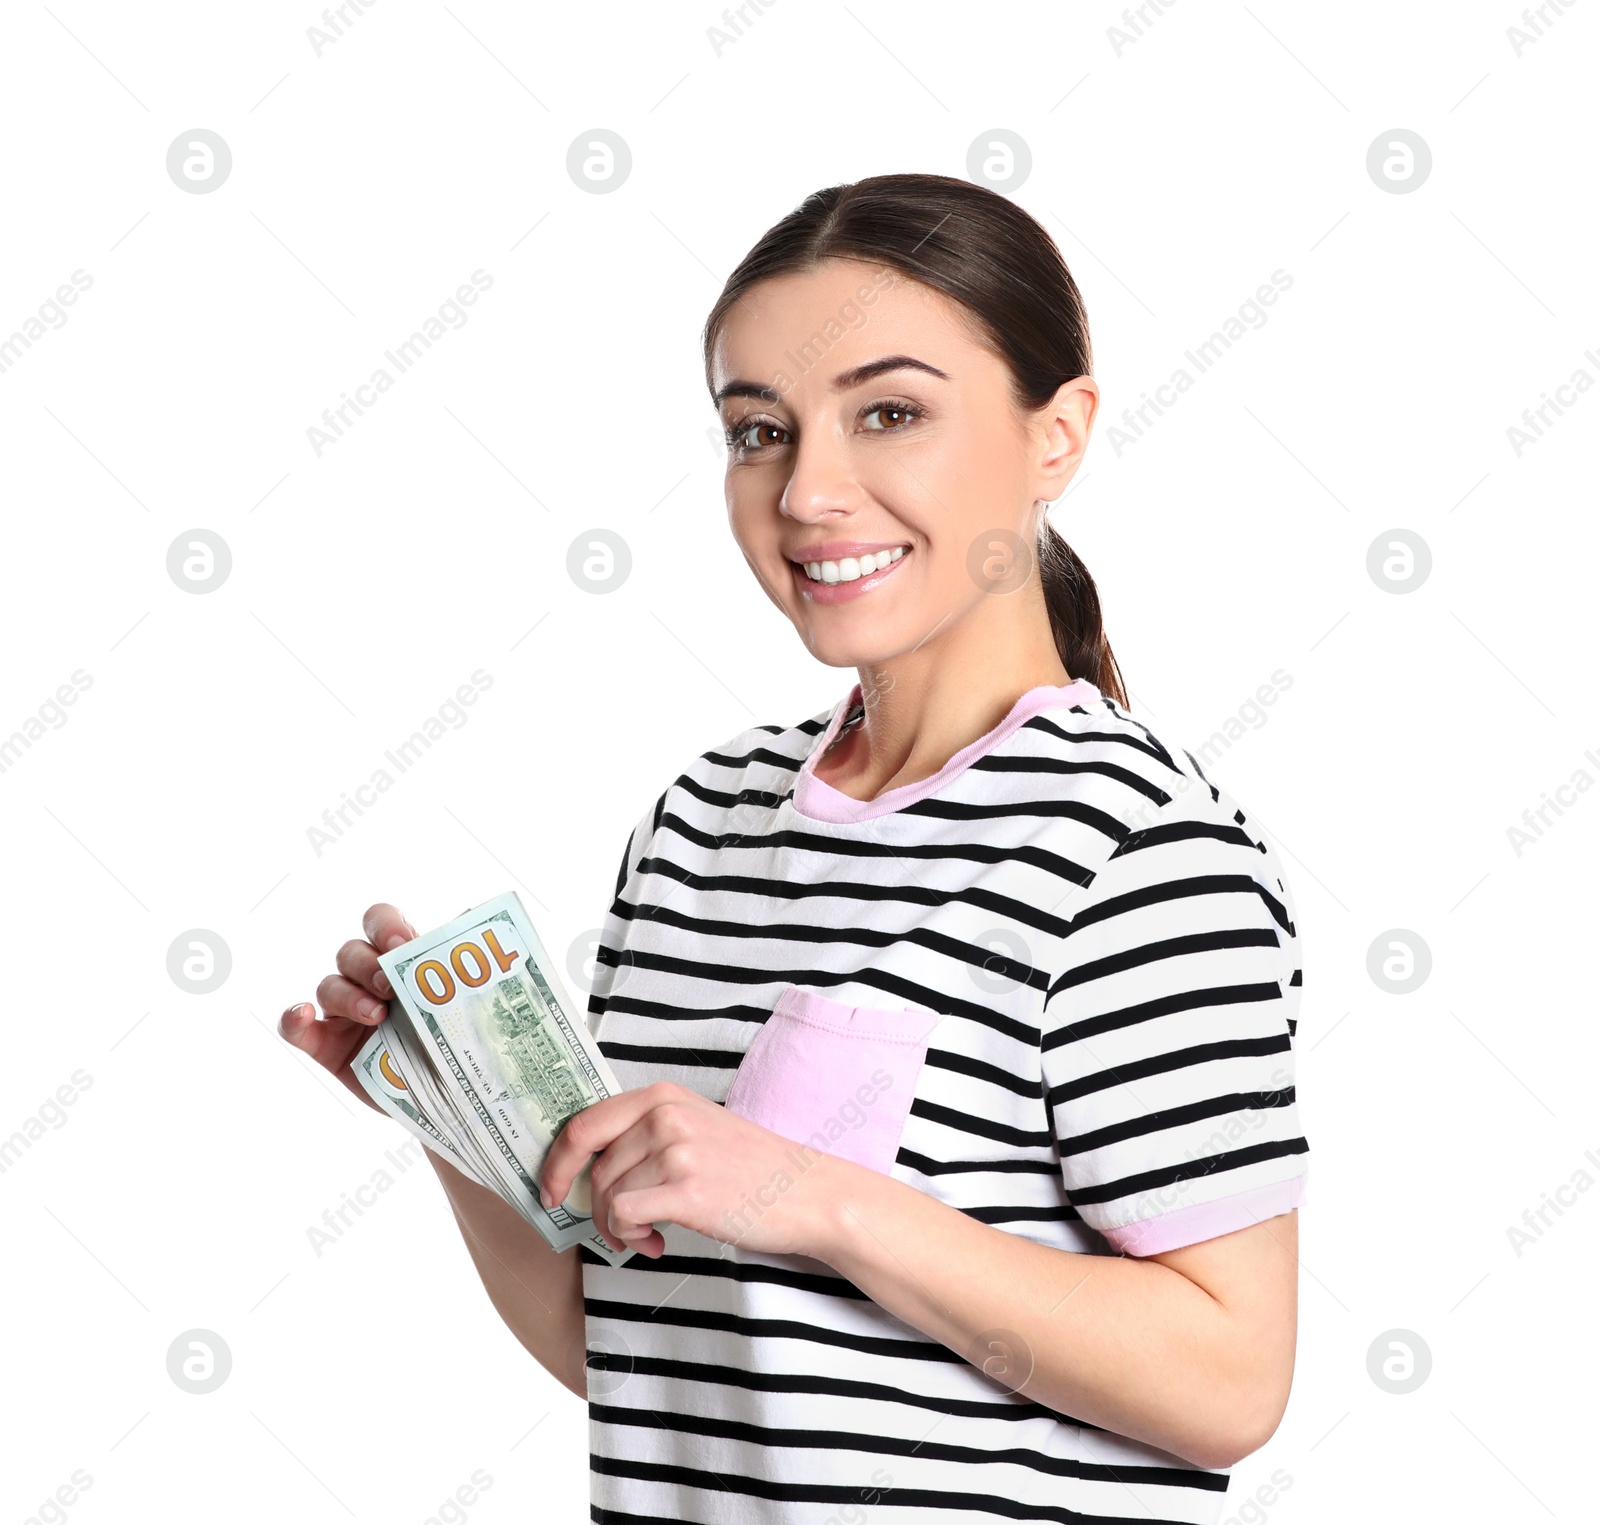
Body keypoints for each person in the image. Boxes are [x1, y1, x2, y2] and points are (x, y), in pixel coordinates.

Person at [281, 170, 1310, 1524]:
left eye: (891, 413)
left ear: (1056, 434)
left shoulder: (1136, 849)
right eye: (758, 430)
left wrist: (813, 1197)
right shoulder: (701, 819)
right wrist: (452, 1111)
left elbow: (1230, 1379)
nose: (810, 489)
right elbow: (653, 1362)